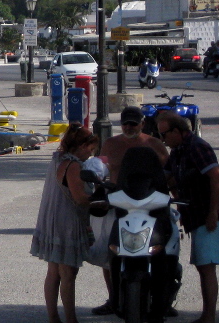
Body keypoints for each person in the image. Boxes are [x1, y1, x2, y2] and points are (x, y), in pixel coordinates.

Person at [89, 106, 170, 316]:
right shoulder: (110, 144)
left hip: (150, 205)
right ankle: (114, 298)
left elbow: (168, 173)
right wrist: (98, 191)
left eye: (133, 123)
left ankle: (164, 299)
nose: (128, 127)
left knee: (166, 248)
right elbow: (101, 169)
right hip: (120, 204)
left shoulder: (154, 144)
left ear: (142, 124)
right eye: (125, 123)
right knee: (112, 251)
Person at [156, 110, 219, 323]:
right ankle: (207, 315)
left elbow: (217, 177)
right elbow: (166, 178)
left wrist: (213, 213)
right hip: (194, 214)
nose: (163, 139)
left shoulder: (197, 147)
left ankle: (209, 317)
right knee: (201, 265)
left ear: (178, 131)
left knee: (207, 266)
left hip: (208, 214)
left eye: (165, 134)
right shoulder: (178, 151)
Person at [31, 123, 99, 323]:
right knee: (68, 273)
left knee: (53, 272)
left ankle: (53, 317)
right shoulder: (74, 165)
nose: (91, 154)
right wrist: (99, 199)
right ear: (82, 146)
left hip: (51, 219)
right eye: (90, 148)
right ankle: (71, 319)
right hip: (67, 222)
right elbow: (80, 198)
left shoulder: (57, 159)